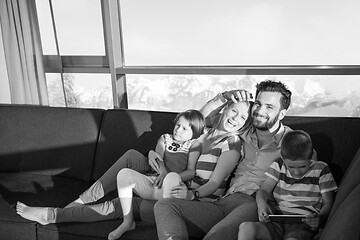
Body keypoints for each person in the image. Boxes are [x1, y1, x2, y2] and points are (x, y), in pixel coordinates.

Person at [16, 99, 253, 239]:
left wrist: (191, 194)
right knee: (127, 178)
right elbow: (197, 117)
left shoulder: (231, 143)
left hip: (194, 202)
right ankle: (55, 213)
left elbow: (214, 185)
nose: (236, 118)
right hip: (174, 188)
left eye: (243, 117)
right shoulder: (205, 134)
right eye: (234, 110)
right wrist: (224, 96)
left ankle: (62, 212)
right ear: (224, 109)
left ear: (245, 125)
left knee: (124, 203)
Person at [154, 80, 296, 240]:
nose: (260, 110)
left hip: (254, 203)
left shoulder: (291, 143)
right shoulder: (242, 131)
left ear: (282, 113)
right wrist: (225, 97)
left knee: (217, 235)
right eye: (258, 104)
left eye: (269, 107)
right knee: (165, 206)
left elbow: (307, 177)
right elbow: (196, 122)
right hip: (224, 201)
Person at [238, 130, 337, 240]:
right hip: (278, 219)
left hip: (304, 224)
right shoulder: (278, 165)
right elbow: (264, 190)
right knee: (246, 227)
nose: (297, 172)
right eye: (291, 167)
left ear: (311, 157)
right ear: (283, 158)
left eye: (303, 166)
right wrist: (261, 205)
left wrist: (319, 218)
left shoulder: (321, 169)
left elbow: (328, 202)